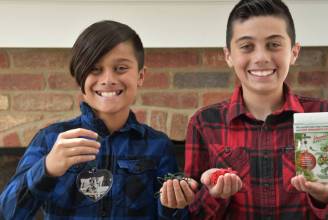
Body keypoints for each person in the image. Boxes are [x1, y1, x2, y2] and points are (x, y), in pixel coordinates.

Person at [183, 0, 328, 219]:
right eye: (247, 46)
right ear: (228, 55)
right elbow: (190, 214)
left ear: (294, 52)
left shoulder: (324, 115)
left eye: (274, 45)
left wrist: (325, 196)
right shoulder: (204, 122)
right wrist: (214, 196)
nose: (261, 58)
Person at [0, 20, 190, 219]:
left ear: (141, 76)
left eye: (120, 68)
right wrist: (47, 167)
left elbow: (175, 215)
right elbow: (7, 213)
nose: (108, 79)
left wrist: (173, 206)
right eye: (95, 69)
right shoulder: (50, 140)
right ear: (80, 77)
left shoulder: (159, 145)